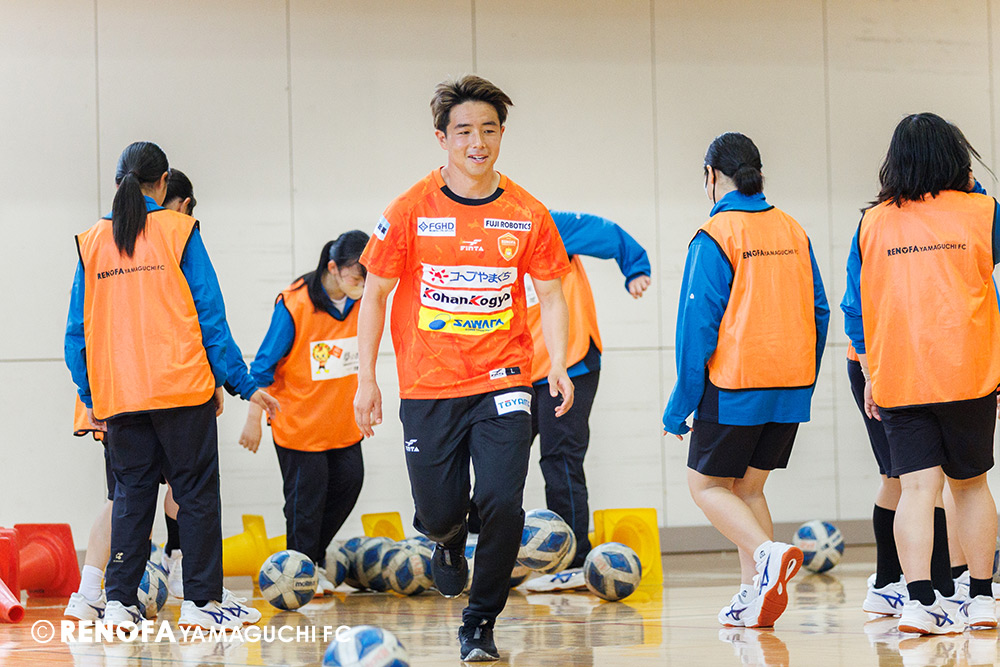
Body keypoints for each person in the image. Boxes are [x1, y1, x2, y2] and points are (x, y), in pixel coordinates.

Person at [354, 75, 574, 662]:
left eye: (489, 130)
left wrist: (558, 364)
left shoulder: (527, 212)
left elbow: (552, 295)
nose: (478, 142)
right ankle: (448, 539)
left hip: (504, 378)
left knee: (502, 500)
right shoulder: (409, 210)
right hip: (428, 385)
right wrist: (367, 379)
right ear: (442, 138)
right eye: (464, 132)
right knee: (438, 510)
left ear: (502, 134)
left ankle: (479, 623)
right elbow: (374, 296)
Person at [64, 143, 266, 630]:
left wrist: (93, 398)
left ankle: (118, 604)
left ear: (118, 183)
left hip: (120, 399)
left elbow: (76, 336)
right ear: (163, 182)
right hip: (181, 392)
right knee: (195, 495)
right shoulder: (180, 231)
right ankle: (201, 604)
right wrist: (238, 383)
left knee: (131, 497)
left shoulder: (92, 242)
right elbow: (211, 318)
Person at [663, 132, 829, 629]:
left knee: (706, 486)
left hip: (736, 386)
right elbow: (820, 312)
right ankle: (752, 596)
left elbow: (697, 327)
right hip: (791, 385)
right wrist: (803, 378)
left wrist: (679, 405)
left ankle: (766, 553)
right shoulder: (793, 229)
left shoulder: (716, 234)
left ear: (712, 176)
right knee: (748, 489)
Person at [843, 112, 1000, 635]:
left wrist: (869, 372)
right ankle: (981, 599)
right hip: (969, 374)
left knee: (915, 490)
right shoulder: (983, 211)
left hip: (901, 377)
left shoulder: (872, 222)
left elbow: (854, 309)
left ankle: (918, 604)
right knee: (971, 487)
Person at [514, 210, 650, 592]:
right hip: (520, 370)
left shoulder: (549, 226)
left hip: (571, 362)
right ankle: (491, 551)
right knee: (501, 462)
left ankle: (571, 560)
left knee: (559, 458)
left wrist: (635, 268)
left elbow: (606, 232)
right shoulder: (484, 245)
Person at [240, 231, 369, 596]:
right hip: (299, 426)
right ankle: (298, 576)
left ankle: (310, 561)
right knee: (305, 504)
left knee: (349, 484)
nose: (362, 286)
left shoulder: (362, 303)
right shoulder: (294, 304)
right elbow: (261, 368)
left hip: (342, 423)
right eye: (356, 277)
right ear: (334, 267)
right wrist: (253, 420)